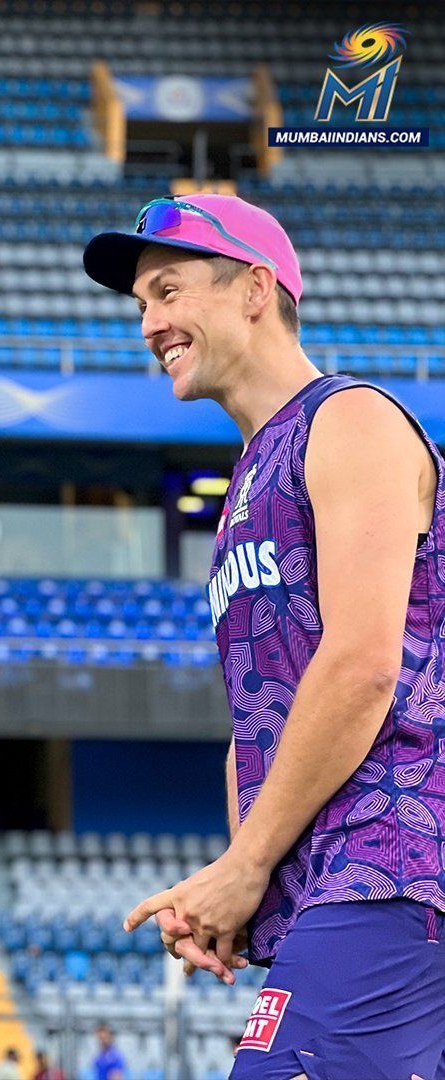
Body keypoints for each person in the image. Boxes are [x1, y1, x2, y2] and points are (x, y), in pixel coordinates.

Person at [84, 194, 445, 1077]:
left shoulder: (350, 420)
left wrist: (244, 866)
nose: (150, 323)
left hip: (398, 860)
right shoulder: (254, 469)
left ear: (254, 288)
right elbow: (259, 717)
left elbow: (361, 667)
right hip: (339, 876)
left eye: (168, 291)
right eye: (141, 305)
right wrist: (238, 884)